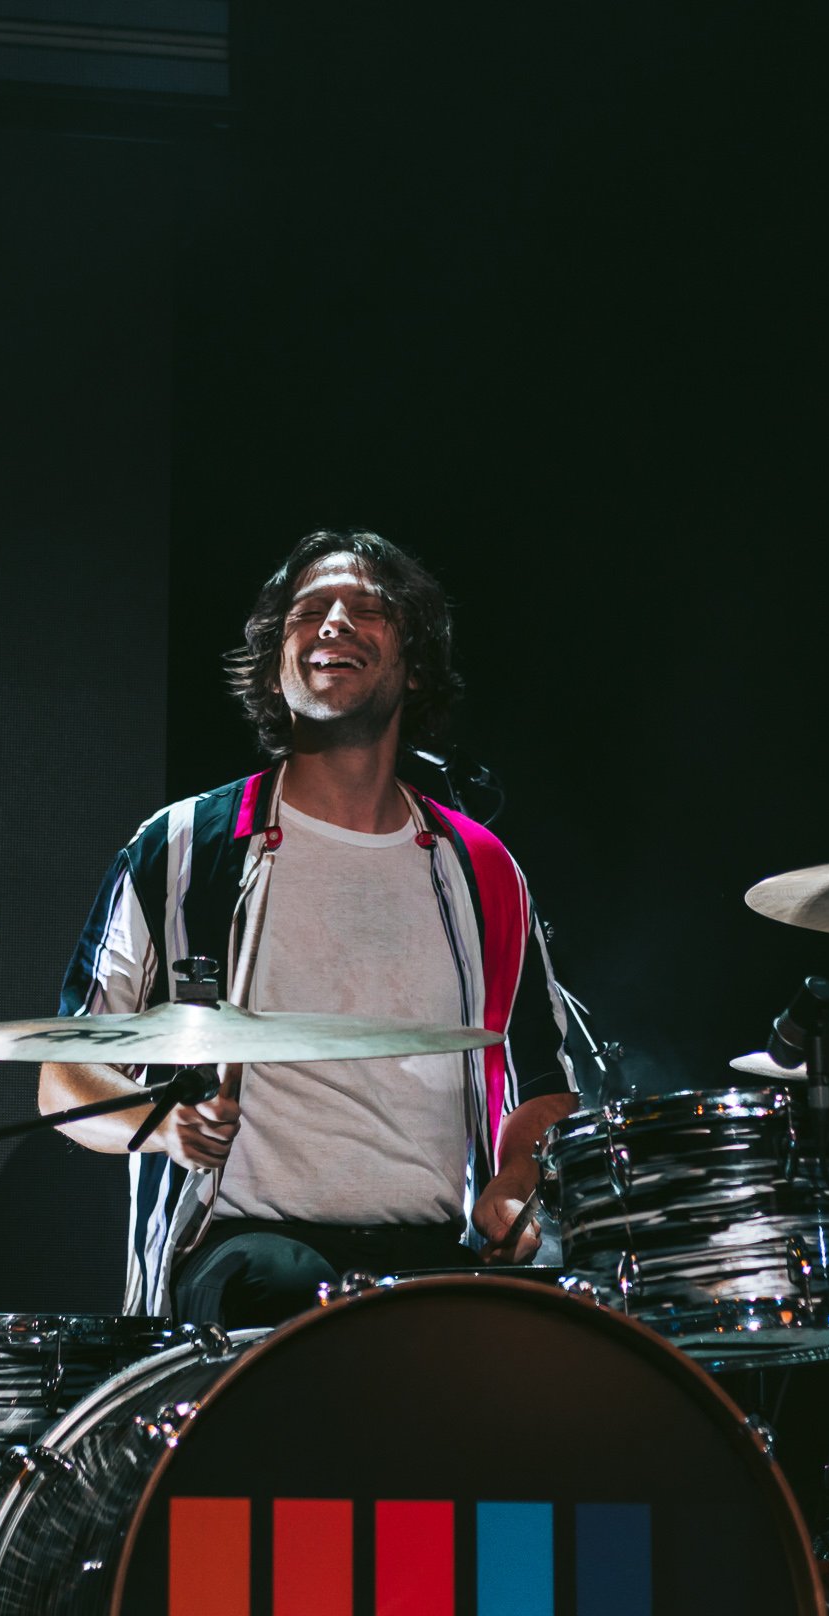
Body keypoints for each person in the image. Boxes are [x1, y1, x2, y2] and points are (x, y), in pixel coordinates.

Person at [39, 528, 576, 1325]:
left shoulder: (482, 869)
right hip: (240, 1250)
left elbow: (544, 1091)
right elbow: (62, 1080)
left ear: (415, 663)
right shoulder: (183, 847)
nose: (333, 623)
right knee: (283, 1287)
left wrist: (510, 1186)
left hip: (429, 1249)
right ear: (274, 665)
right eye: (307, 612)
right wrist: (164, 1126)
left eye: (368, 610)